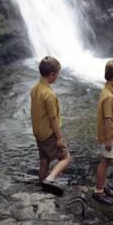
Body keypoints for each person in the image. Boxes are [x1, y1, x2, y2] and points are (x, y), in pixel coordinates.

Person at [30, 56, 72, 195]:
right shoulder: (49, 95)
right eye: (57, 75)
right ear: (51, 74)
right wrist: (59, 137)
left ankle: (42, 186)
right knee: (66, 158)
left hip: (38, 133)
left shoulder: (35, 88)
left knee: (45, 159)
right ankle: (50, 179)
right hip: (49, 133)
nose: (57, 78)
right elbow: (53, 118)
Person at [92, 59, 113, 206]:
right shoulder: (109, 97)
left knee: (107, 161)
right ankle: (98, 191)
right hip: (109, 135)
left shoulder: (106, 91)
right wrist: (107, 139)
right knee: (105, 161)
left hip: (111, 134)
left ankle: (103, 185)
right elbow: (107, 119)